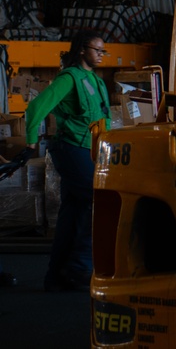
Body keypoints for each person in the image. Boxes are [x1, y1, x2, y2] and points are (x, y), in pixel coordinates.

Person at [25, 30, 112, 292]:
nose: (101, 55)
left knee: (72, 210)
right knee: (97, 202)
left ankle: (56, 275)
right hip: (71, 149)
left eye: (103, 51)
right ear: (82, 49)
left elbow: (101, 117)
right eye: (97, 50)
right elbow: (36, 107)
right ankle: (79, 268)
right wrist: (30, 142)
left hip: (90, 151)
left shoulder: (95, 80)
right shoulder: (69, 77)